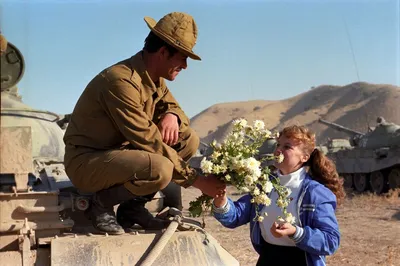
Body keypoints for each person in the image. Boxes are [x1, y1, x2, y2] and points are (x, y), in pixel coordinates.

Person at [63, 12, 225, 235]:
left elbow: (179, 112)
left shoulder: (154, 79)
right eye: (182, 57)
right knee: (160, 168)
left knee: (188, 140)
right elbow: (148, 141)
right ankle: (98, 204)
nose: (185, 66)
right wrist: (196, 181)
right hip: (87, 162)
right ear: (162, 52)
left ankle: (132, 209)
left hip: (119, 157)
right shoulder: (121, 81)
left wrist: (172, 115)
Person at [212, 125, 345, 266]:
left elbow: (331, 241)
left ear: (304, 157)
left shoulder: (315, 193)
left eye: (287, 147)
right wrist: (221, 201)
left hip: (302, 261)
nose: (278, 150)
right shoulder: (264, 186)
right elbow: (236, 216)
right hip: (268, 259)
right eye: (278, 145)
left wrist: (296, 232)